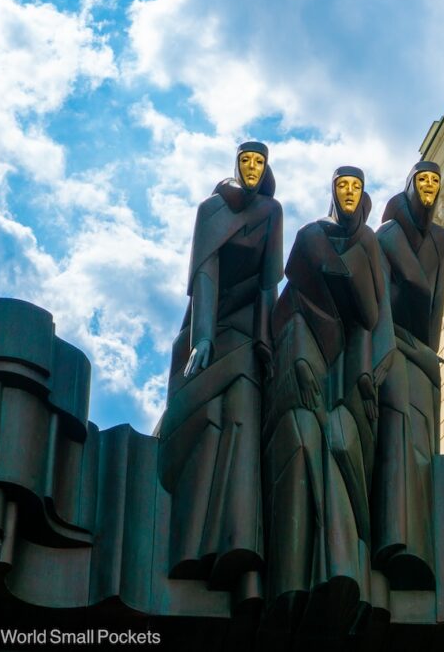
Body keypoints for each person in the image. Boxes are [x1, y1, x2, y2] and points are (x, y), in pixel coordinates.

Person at [262, 166, 394, 636]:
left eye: (356, 187)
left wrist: (365, 376)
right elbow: (291, 304)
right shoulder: (310, 238)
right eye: (342, 186)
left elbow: (375, 321)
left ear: (364, 196)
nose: (349, 193)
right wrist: (296, 355)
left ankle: (344, 574)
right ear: (333, 192)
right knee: (302, 441)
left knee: (340, 441)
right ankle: (293, 582)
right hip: (309, 362)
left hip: (351, 373)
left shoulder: (370, 246)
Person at [155, 141, 282, 601]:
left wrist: (266, 340)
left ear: (266, 169)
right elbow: (205, 274)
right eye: (246, 161)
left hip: (250, 329)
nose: (252, 168)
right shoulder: (212, 208)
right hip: (209, 326)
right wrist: (203, 336)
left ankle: (240, 547)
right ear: (236, 166)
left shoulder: (272, 210)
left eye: (259, 163)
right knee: (205, 422)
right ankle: (191, 543)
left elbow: (271, 281)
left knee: (242, 421)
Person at [372, 161, 444, 589]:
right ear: (409, 186)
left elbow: (435, 307)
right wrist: (384, 351)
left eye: (435, 182)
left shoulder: (441, 239)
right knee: (399, 429)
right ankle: (396, 538)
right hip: (392, 346)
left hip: (421, 352)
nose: (429, 187)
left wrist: (431, 356)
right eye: (423, 180)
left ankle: (420, 540)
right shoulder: (386, 236)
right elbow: (379, 303)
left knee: (421, 439)